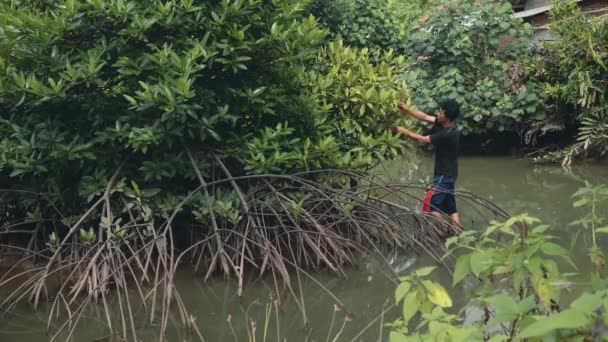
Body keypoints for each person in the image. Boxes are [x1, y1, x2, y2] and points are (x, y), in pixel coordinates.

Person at [392, 100, 461, 234]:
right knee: (450, 208)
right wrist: (407, 109)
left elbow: (422, 139)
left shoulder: (447, 134)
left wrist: (403, 131)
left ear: (447, 117)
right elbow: (423, 116)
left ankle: (439, 234)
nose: (438, 114)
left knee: (430, 204)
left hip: (443, 175)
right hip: (450, 174)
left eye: (441, 112)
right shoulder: (445, 124)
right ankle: (457, 232)